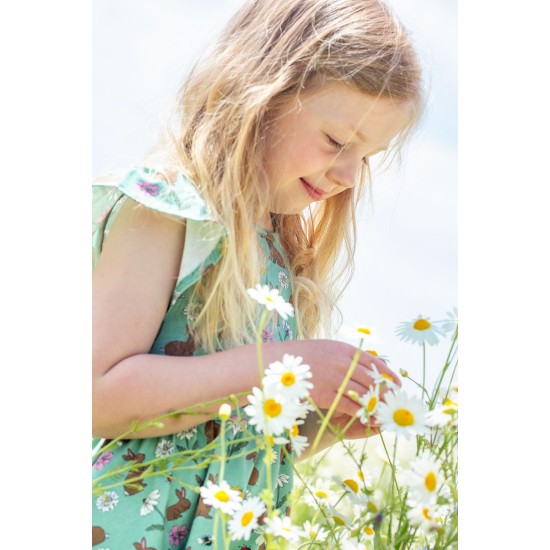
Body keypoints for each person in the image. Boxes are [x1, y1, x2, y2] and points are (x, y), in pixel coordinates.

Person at [92, 0, 425, 547]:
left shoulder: (279, 257)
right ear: (262, 95)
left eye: (366, 158)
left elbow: (228, 439)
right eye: (338, 142)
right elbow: (97, 394)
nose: (347, 175)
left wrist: (328, 423)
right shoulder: (169, 209)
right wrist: (280, 365)